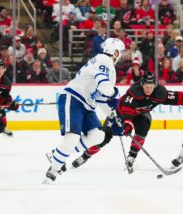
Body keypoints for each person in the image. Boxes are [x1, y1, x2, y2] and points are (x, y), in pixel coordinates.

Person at [71, 72, 183, 171]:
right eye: (146, 86)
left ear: (155, 85)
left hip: (141, 115)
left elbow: (179, 98)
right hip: (120, 114)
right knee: (104, 137)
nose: (148, 89)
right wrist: (127, 124)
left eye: (151, 86)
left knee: (143, 128)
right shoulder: (133, 93)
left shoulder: (160, 93)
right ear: (142, 84)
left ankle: (131, 157)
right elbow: (126, 110)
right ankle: (84, 156)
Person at [43, 38, 125, 184]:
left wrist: (113, 115)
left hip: (87, 104)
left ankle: (58, 155)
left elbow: (101, 98)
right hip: (73, 98)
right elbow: (106, 88)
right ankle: (53, 171)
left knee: (98, 136)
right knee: (72, 137)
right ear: (115, 51)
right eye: (120, 52)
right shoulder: (104, 60)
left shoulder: (107, 66)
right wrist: (115, 97)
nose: (121, 55)